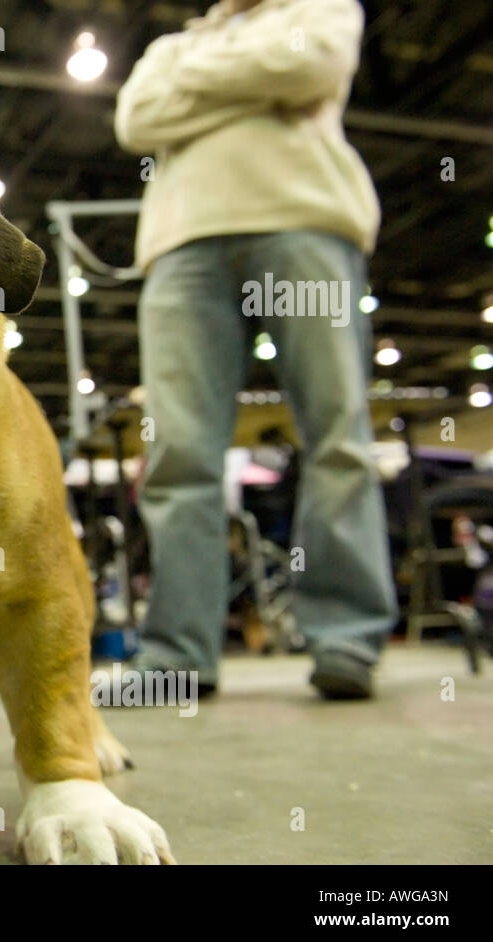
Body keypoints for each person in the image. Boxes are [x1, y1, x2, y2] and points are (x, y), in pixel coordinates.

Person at [113, 0, 397, 699]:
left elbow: (313, 63)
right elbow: (135, 119)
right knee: (179, 451)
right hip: (182, 245)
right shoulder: (173, 46)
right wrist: (258, 85)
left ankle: (347, 640)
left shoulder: (320, 8)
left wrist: (197, 86)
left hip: (305, 223)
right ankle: (177, 654)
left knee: (337, 434)